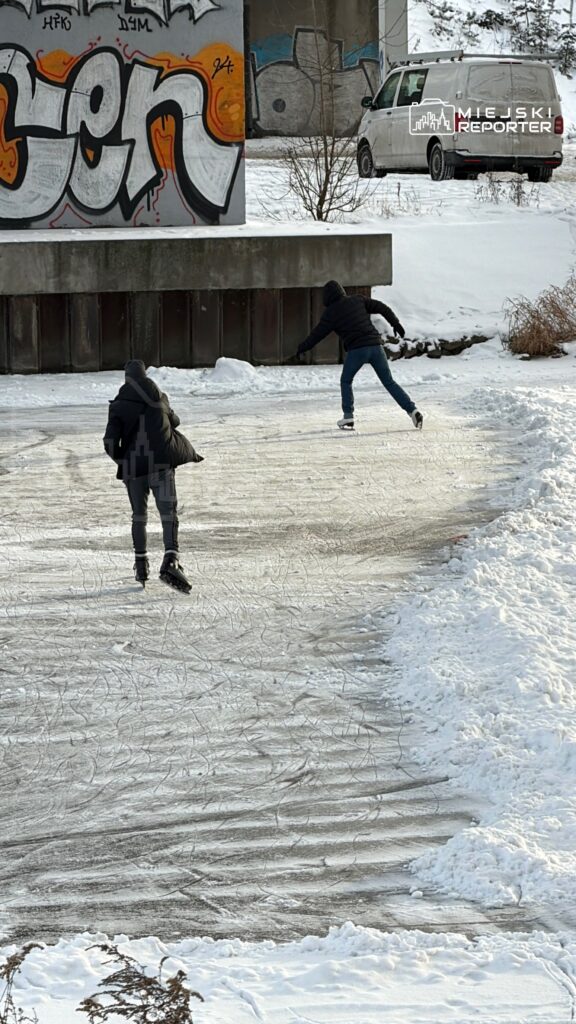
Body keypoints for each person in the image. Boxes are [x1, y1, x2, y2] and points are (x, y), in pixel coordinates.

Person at [103, 360, 203, 593]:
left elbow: (109, 442)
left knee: (139, 516)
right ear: (145, 375)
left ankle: (141, 566)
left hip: (133, 470)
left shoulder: (118, 406)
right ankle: (171, 560)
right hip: (161, 465)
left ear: (127, 379)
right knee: (168, 513)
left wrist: (123, 460)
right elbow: (175, 422)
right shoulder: (160, 397)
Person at [297, 281, 423, 431]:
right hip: (376, 347)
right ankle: (412, 410)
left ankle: (348, 416)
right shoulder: (357, 300)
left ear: (327, 297)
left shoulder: (330, 313)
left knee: (346, 381)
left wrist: (302, 348)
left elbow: (317, 334)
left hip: (357, 350)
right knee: (389, 382)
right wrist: (396, 323)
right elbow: (382, 307)